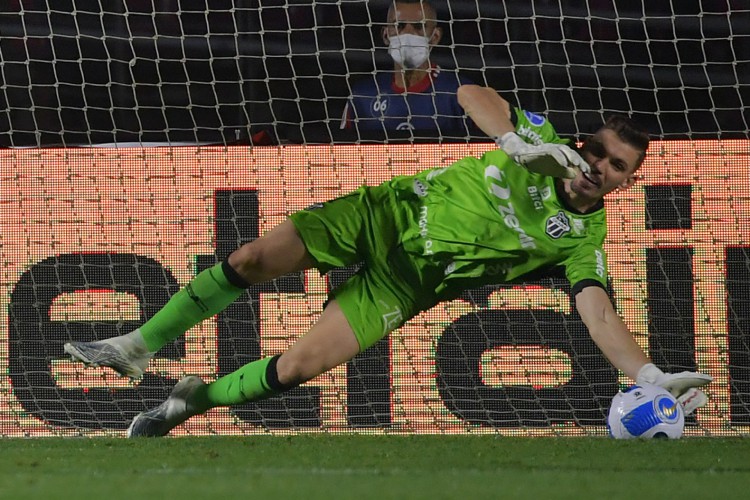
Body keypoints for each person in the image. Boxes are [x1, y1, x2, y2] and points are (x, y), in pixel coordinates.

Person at [64, 84, 712, 437]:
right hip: (385, 215)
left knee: (297, 367)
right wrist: (513, 141)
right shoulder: (542, 141)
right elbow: (470, 93)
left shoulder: (579, 242)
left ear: (628, 185)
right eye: (597, 149)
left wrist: (647, 374)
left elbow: (596, 310)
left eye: (616, 166)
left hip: (410, 282)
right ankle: (140, 345)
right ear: (584, 140)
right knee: (254, 257)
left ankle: (189, 401)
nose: (599, 165)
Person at [340, 0, 473, 136]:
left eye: (419, 27)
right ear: (386, 35)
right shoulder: (362, 95)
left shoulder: (460, 93)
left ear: (435, 37)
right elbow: (341, 152)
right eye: (399, 26)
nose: (408, 34)